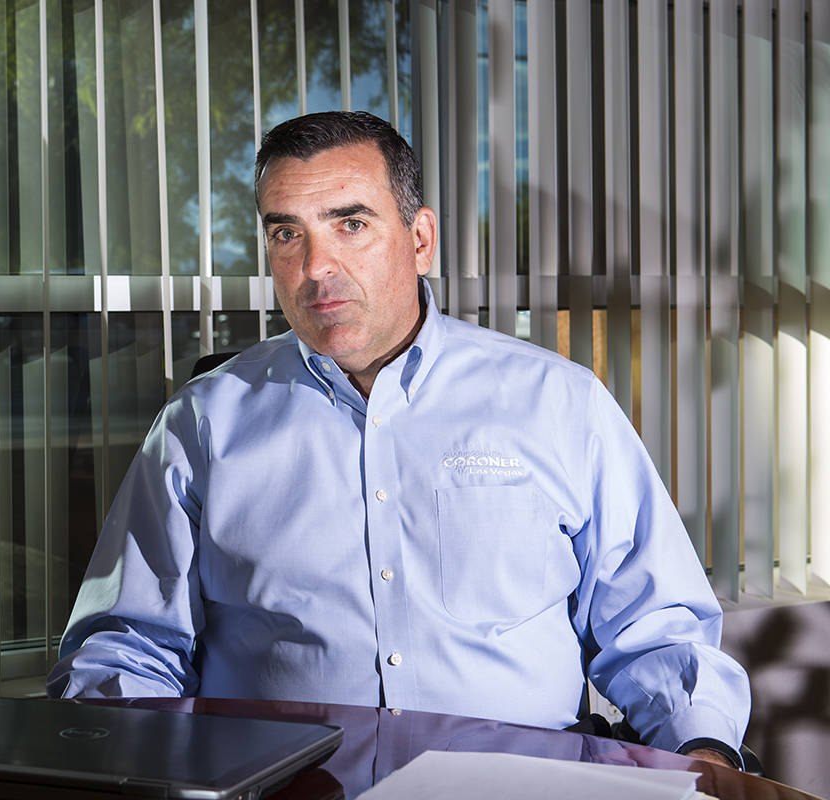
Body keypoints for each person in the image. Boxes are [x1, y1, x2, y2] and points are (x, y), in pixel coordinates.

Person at [46, 111, 750, 768]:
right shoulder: (202, 424)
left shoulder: (557, 403)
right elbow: (128, 644)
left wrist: (705, 757)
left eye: (350, 224)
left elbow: (657, 631)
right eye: (287, 233)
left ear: (419, 240)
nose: (316, 267)